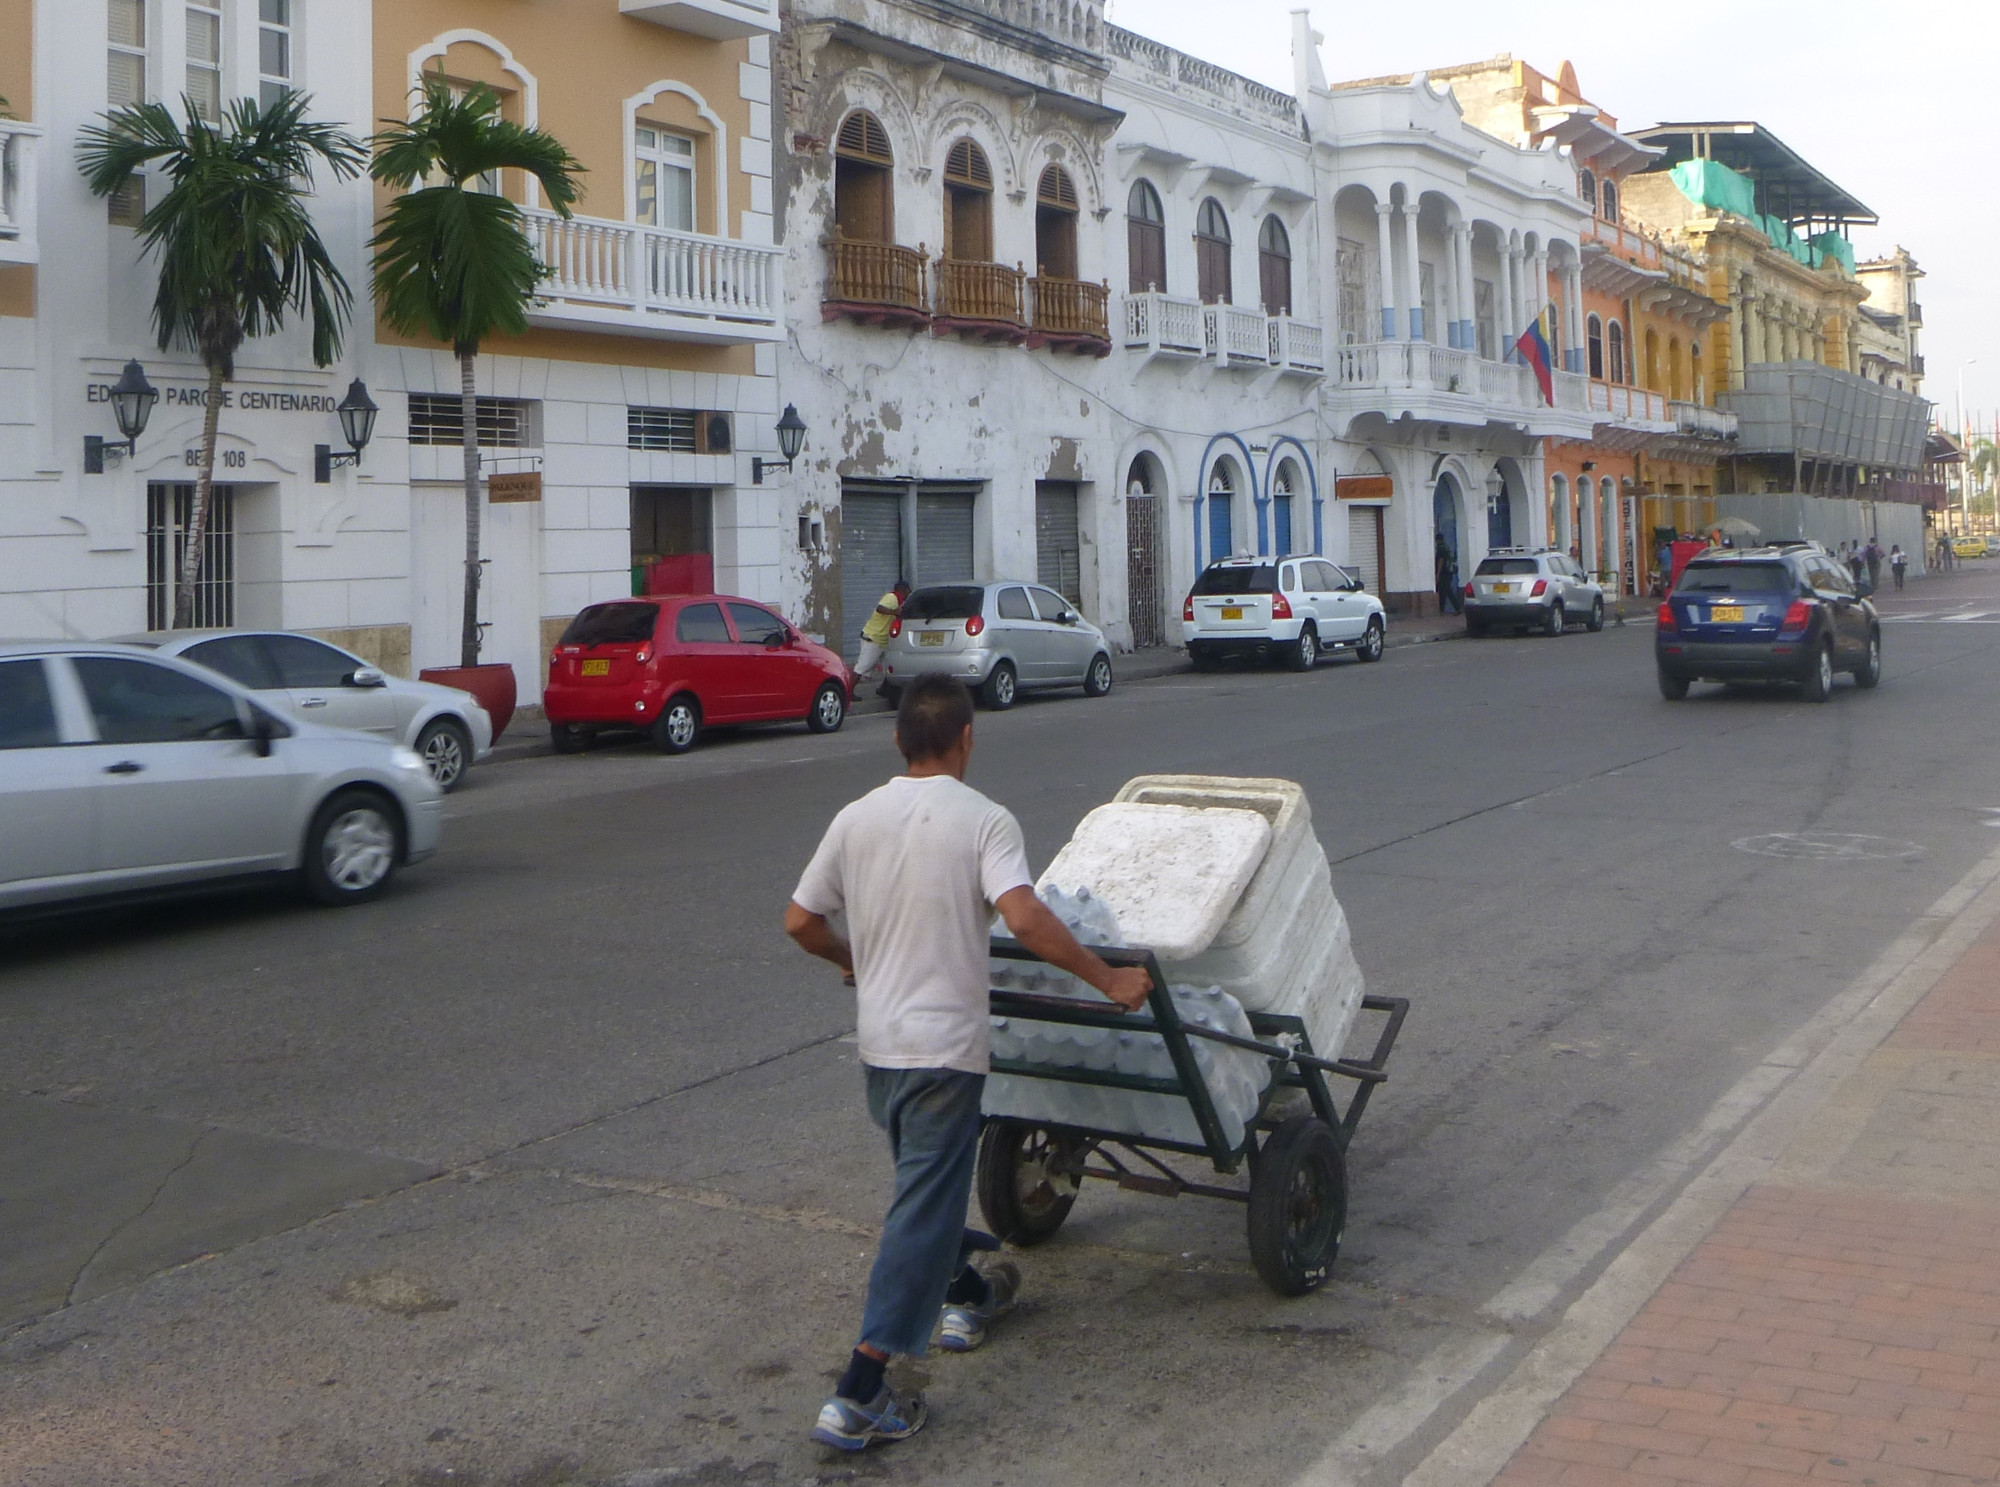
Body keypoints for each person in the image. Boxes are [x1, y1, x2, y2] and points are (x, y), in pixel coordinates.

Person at [785, 674, 1153, 1452]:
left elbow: (799, 921)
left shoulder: (856, 817)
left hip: (880, 1048)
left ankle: (967, 1288)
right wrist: (1110, 977)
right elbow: (1022, 913)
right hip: (946, 1053)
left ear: (896, 740)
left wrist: (853, 960)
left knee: (927, 1189)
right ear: (967, 738)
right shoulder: (985, 820)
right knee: (919, 1207)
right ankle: (863, 1388)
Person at [854, 581, 910, 695]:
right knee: (861, 668)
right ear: (903, 590)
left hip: (884, 641)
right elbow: (880, 608)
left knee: (889, 667)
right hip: (874, 638)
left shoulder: (900, 602)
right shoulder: (891, 597)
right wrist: (894, 612)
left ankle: (884, 689)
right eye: (908, 591)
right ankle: (847, 693)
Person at [1434, 532, 1460, 615]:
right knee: (1444, 591)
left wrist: (1437, 574)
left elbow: (1440, 562)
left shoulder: (1441, 549)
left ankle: (1456, 608)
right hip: (1449, 572)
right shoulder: (1447, 547)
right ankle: (1443, 609)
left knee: (1446, 591)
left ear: (1437, 540)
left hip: (1444, 573)